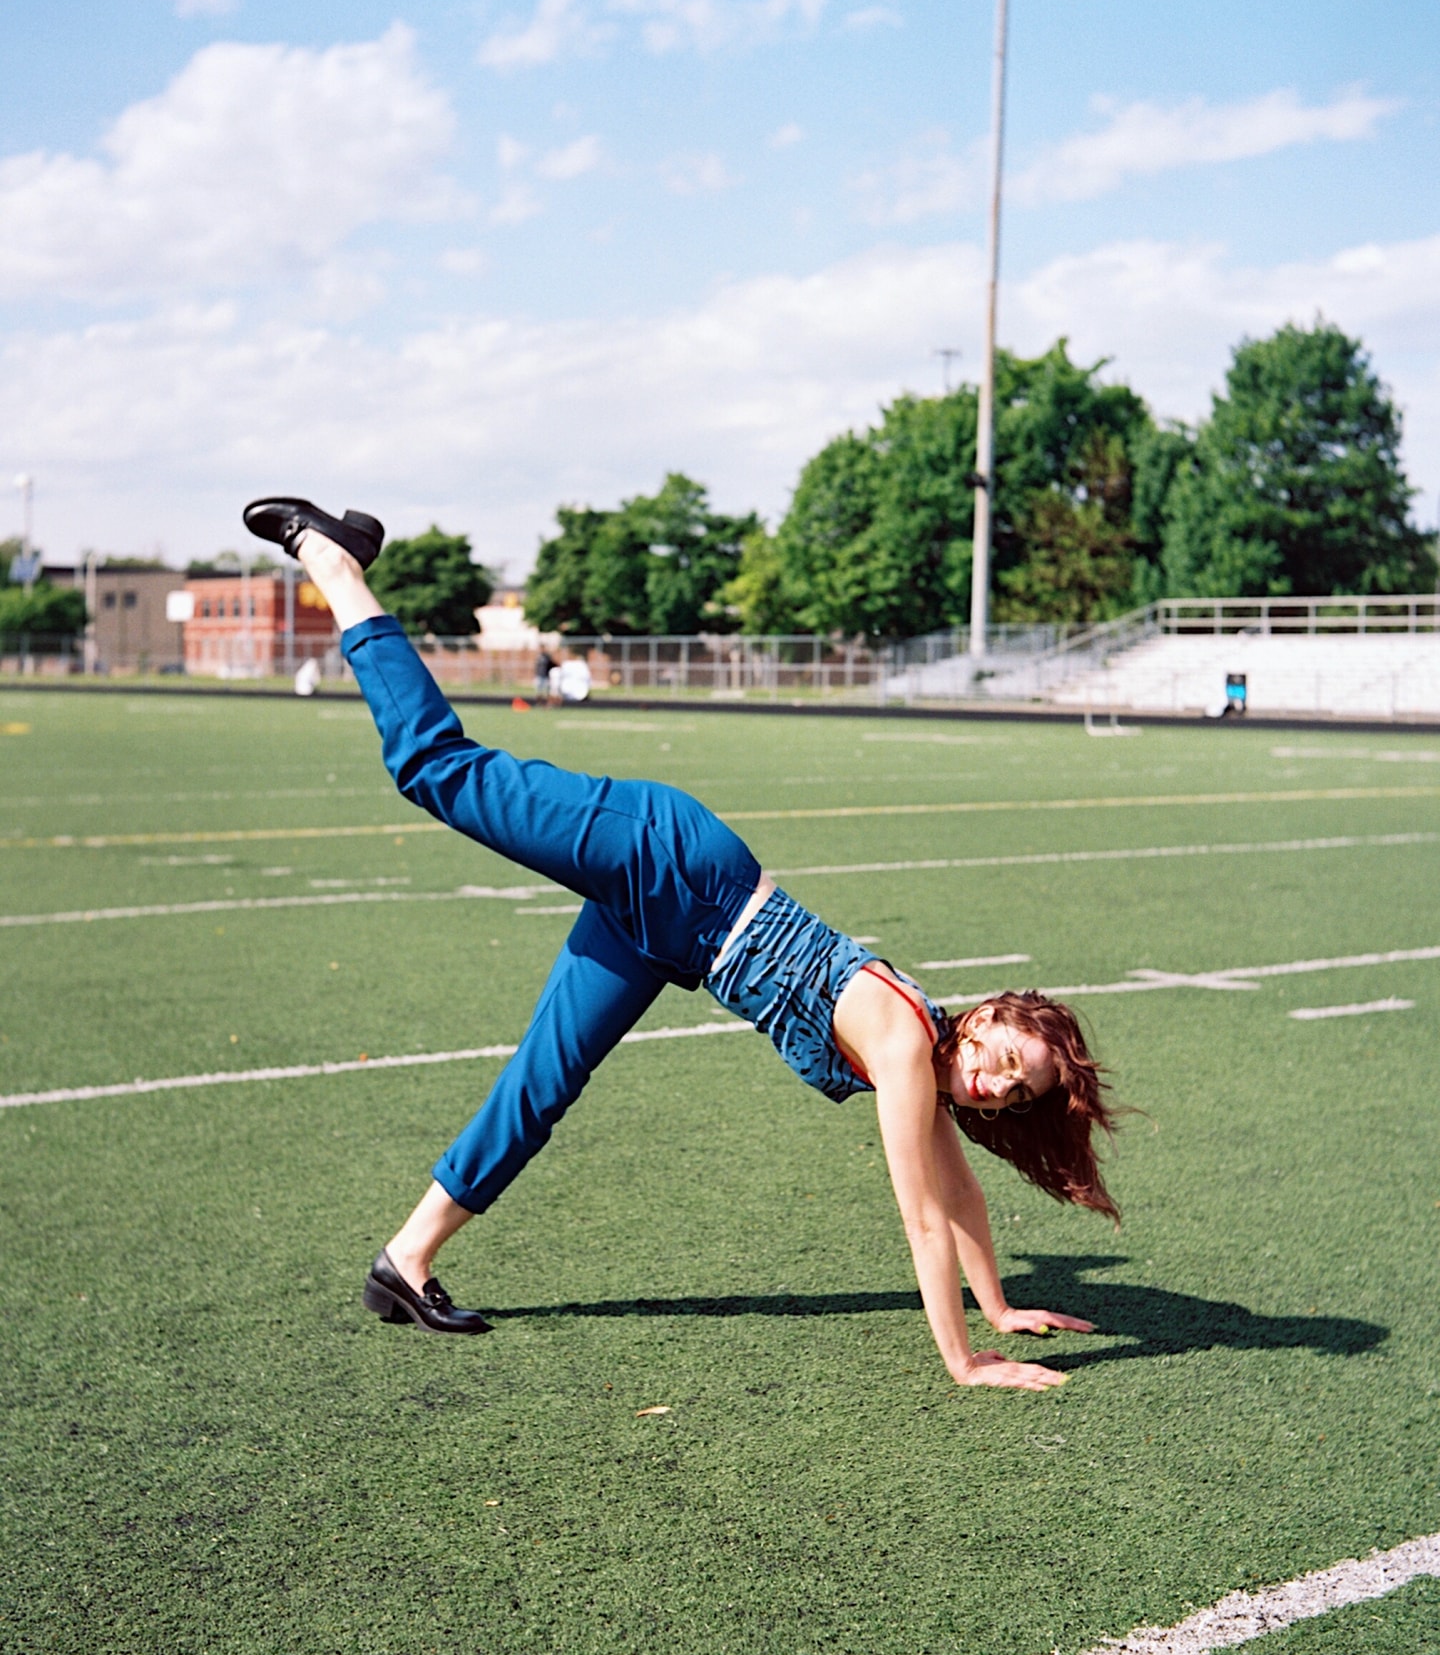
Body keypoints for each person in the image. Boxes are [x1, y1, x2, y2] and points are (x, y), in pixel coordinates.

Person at [244, 498, 1122, 1394]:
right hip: (671, 863)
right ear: (984, 1023)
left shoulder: (927, 1064)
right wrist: (965, 1358)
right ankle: (336, 560)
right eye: (1007, 1058)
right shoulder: (903, 1043)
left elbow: (960, 1193)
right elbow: (923, 1218)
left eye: (1016, 1094)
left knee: (543, 1083)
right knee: (436, 770)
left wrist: (1002, 1305)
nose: (997, 1085)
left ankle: (406, 1261)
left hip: (679, 938)